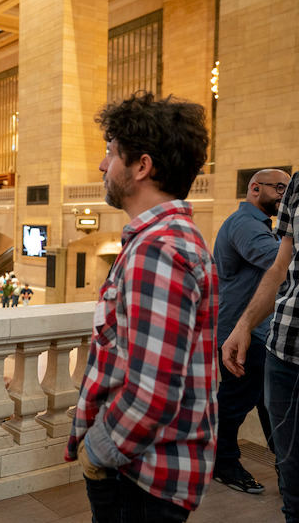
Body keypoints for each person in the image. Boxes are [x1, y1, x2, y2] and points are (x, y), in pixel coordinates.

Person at [66, 92, 216, 521]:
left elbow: (154, 393)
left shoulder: (159, 250)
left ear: (141, 166)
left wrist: (97, 450)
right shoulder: (171, 239)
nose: (102, 165)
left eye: (111, 153)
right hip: (146, 471)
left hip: (141, 476)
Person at [223, 175, 299, 520]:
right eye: (277, 188)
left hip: (263, 333)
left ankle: (284, 471)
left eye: (285, 188)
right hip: (251, 333)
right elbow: (280, 263)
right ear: (255, 188)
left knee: (261, 406)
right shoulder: (246, 224)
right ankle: (225, 463)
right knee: (236, 403)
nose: (283, 193)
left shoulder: (263, 225)